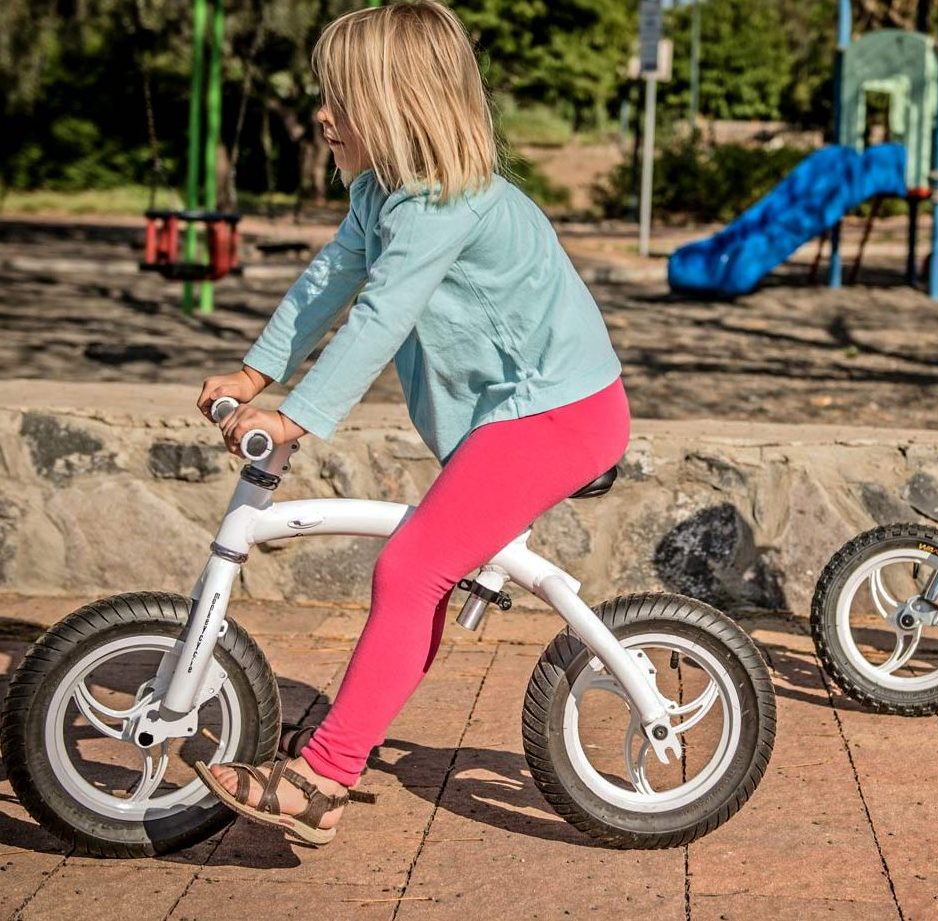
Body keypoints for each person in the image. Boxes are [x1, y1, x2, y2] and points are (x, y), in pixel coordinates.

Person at [192, 0, 629, 844]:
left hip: (559, 415)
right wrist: (256, 368)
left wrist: (298, 417)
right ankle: (336, 753)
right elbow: (330, 282)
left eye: (343, 99)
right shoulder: (383, 193)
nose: (324, 114)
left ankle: (322, 778)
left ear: (400, 106)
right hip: (519, 416)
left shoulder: (444, 205)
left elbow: (380, 316)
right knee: (421, 569)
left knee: (411, 568)